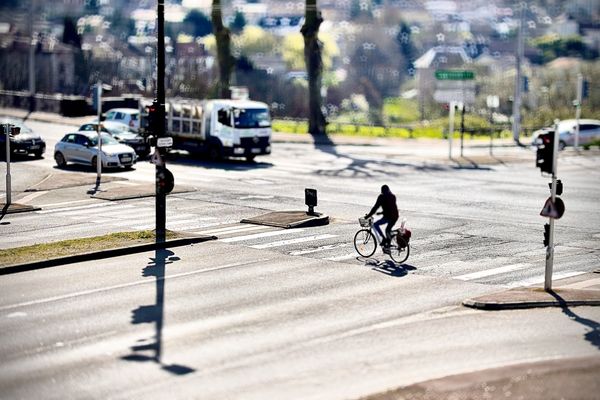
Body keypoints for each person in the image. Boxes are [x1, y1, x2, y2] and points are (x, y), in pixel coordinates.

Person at [364, 184, 399, 249]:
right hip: (395, 216)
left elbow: (375, 208)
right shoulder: (392, 196)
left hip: (389, 217)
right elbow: (390, 207)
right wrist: (381, 213)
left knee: (375, 224)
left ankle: (384, 239)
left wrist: (368, 216)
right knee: (388, 230)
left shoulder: (382, 197)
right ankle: (388, 244)